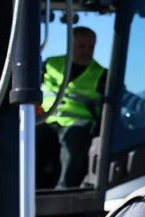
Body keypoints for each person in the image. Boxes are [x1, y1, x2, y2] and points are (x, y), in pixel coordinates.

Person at [40, 27, 106, 188]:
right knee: (29, 135)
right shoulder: (49, 65)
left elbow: (123, 97)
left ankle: (63, 189)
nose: (86, 51)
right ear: (70, 45)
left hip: (78, 124)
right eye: (82, 46)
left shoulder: (101, 74)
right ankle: (31, 187)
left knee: (74, 138)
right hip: (47, 120)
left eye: (90, 47)